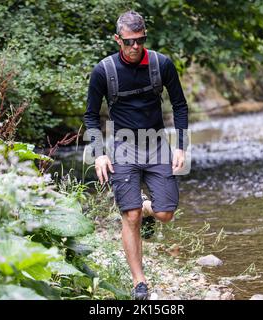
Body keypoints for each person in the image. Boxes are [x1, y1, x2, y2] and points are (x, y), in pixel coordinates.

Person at [84, 10, 188, 300]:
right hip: (123, 146)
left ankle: (147, 208)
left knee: (165, 213)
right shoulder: (103, 71)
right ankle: (139, 283)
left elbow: (179, 105)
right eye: (129, 42)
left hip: (156, 143)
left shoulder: (161, 64)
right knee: (129, 216)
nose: (135, 47)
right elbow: (91, 116)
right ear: (118, 39)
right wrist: (99, 154)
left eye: (140, 40)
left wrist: (180, 146)